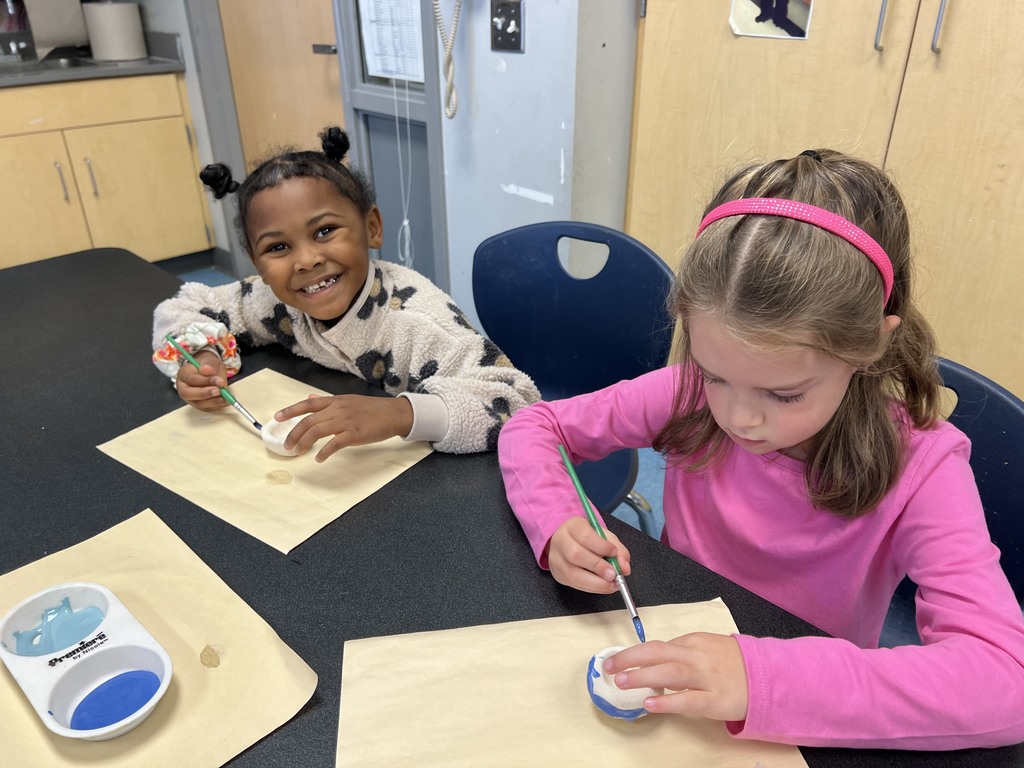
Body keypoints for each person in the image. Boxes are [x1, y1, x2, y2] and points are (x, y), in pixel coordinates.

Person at [497, 149, 1024, 749]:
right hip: (679, 651)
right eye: (715, 374)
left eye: (784, 393)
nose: (739, 417)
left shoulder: (923, 467)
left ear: (871, 347)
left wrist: (758, 677)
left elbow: (1005, 677)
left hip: (807, 708)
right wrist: (559, 519)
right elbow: (533, 428)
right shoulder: (689, 394)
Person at [153, 126, 539, 458]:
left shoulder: (417, 322)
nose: (305, 261)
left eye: (324, 231)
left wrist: (398, 415)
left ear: (371, 227)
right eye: (278, 248)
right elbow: (187, 304)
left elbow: (519, 405)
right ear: (258, 266)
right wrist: (201, 353)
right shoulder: (275, 301)